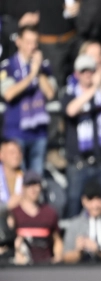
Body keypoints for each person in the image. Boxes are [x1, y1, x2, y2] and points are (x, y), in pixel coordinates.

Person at [62, 54, 101, 218]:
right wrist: (93, 89)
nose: (88, 75)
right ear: (77, 74)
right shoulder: (70, 93)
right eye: (84, 71)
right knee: (74, 204)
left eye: (91, 71)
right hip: (79, 163)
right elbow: (71, 110)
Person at [0, 26, 57, 174]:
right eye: (28, 42)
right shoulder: (8, 66)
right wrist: (30, 76)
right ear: (18, 42)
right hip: (16, 132)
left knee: (35, 181)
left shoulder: (43, 67)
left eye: (35, 42)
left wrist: (38, 72)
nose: (32, 47)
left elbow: (50, 94)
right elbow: (8, 94)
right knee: (18, 179)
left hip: (39, 132)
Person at [62, 180, 101, 264]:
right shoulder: (75, 224)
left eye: (99, 199)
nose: (95, 205)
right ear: (83, 201)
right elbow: (66, 257)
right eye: (91, 200)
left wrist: (99, 251)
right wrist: (78, 252)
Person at [9, 171, 62, 265]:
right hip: (21, 266)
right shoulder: (14, 213)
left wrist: (57, 257)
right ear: (23, 188)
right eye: (29, 185)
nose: (33, 189)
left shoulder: (50, 213)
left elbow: (57, 240)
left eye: (36, 185)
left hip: (46, 265)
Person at [0, 140, 25, 214]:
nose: (16, 156)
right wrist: (7, 206)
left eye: (19, 152)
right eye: (12, 152)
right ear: (1, 155)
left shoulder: (27, 178)